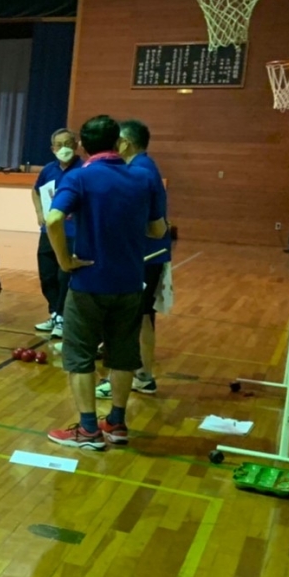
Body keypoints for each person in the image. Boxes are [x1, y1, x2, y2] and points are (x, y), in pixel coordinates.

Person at [46, 115, 167, 450]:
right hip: (130, 283)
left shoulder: (81, 178)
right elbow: (158, 230)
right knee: (123, 356)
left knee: (80, 357)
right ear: (118, 142)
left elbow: (54, 219)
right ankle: (116, 423)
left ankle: (87, 430)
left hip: (89, 283)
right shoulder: (141, 177)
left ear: (82, 146)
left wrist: (65, 261)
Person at [97, 119, 167, 399]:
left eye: (117, 140)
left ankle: (136, 376)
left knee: (131, 319)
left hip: (144, 255)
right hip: (149, 253)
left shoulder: (138, 171)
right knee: (143, 317)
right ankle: (144, 376)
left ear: (126, 142)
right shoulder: (145, 167)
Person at [32, 128, 81, 338]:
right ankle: (54, 313)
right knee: (47, 275)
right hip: (48, 231)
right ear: (53, 149)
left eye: (68, 143)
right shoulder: (48, 170)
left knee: (64, 276)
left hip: (72, 233)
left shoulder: (83, 169)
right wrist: (40, 213)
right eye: (59, 145)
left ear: (76, 145)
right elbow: (36, 191)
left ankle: (62, 317)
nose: (64, 149)